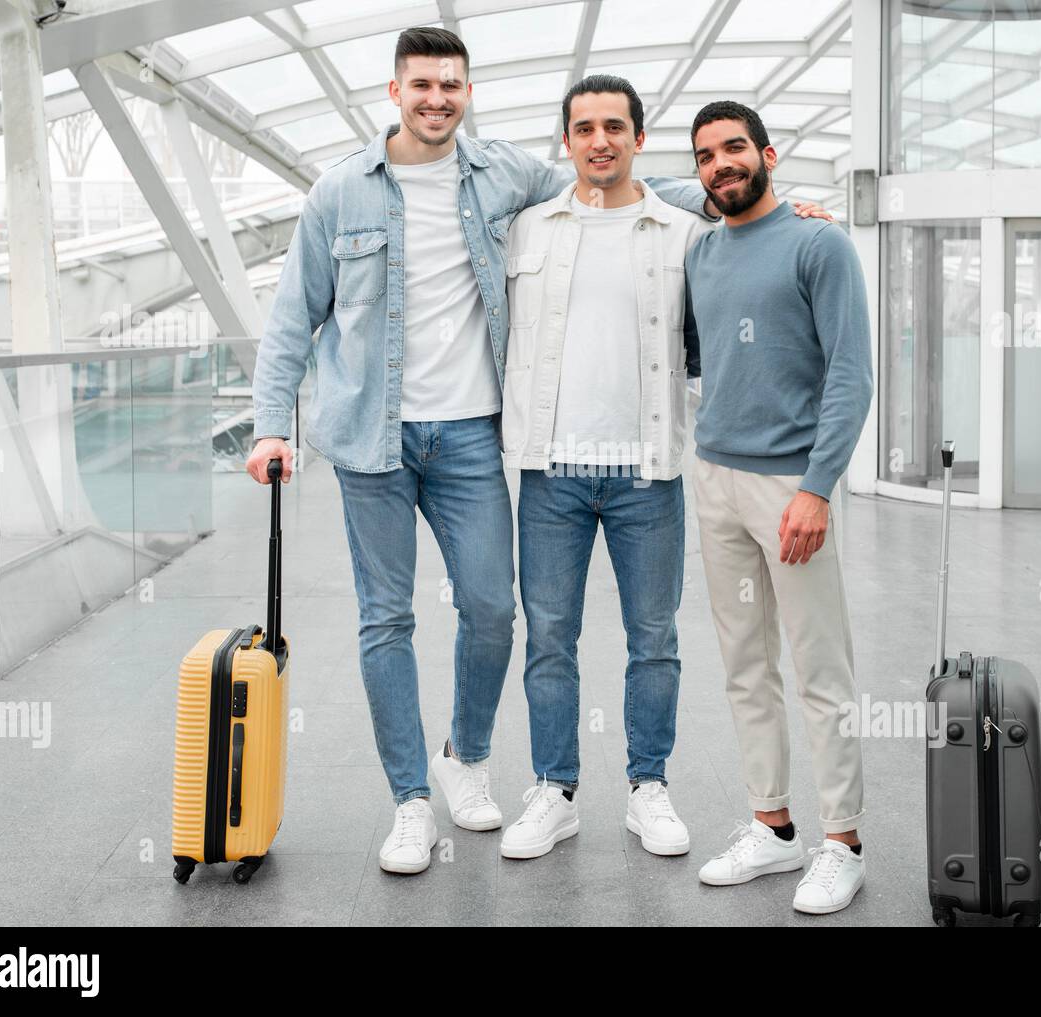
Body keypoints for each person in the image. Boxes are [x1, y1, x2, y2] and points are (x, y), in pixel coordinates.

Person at [245, 27, 717, 876]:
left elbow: (611, 180)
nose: (437, 100)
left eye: (451, 86)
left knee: (494, 608)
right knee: (386, 617)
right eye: (421, 85)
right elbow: (291, 316)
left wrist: (732, 195)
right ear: (394, 92)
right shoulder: (339, 192)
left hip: (470, 433)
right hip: (370, 441)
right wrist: (271, 422)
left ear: (469, 93)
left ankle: (464, 755)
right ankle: (410, 803)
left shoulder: (504, 174)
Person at [495, 75, 715, 860]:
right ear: (566, 141)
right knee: (550, 634)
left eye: (614, 126)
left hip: (649, 472)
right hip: (549, 469)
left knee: (653, 637)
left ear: (638, 138)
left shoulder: (682, 231)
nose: (600, 140)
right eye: (584, 127)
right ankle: (554, 789)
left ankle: (647, 786)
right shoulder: (527, 230)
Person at [685, 101, 874, 915]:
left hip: (790, 487)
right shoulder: (700, 250)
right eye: (705, 157)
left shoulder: (818, 241)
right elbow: (646, 187)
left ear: (767, 153)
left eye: (735, 149)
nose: (721, 165)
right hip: (715, 482)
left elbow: (851, 374)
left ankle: (844, 842)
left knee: (819, 669)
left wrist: (816, 486)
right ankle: (773, 825)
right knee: (745, 668)